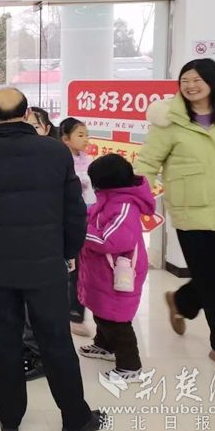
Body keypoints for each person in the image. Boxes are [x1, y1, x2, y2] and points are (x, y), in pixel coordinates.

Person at [0, 87, 104, 431]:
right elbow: (73, 209)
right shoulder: (55, 151)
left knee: (4, 340)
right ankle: (75, 419)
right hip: (45, 264)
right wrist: (68, 252)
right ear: (25, 114)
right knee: (56, 340)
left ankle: (10, 418)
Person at [135, 58, 215, 375]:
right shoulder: (170, 120)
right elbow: (147, 163)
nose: (191, 86)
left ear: (213, 81)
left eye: (197, 80)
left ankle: (182, 302)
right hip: (191, 212)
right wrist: (135, 200)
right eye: (185, 80)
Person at [78, 154, 155, 382]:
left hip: (119, 274)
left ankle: (130, 366)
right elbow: (94, 217)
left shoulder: (124, 206)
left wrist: (80, 232)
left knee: (116, 319)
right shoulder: (110, 198)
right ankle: (104, 345)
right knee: (102, 310)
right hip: (103, 271)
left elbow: (111, 240)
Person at [22, 106, 59, 382]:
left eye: (34, 126)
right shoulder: (14, 159)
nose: (28, 132)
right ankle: (29, 350)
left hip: (46, 245)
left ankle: (40, 356)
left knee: (39, 306)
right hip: (20, 245)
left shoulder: (56, 161)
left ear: (46, 129)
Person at [60, 117, 95, 338]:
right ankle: (72, 313)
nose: (85, 139)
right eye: (80, 135)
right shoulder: (60, 159)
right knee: (71, 268)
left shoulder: (87, 159)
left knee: (81, 268)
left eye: (86, 135)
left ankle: (76, 313)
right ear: (65, 139)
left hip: (87, 217)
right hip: (67, 219)